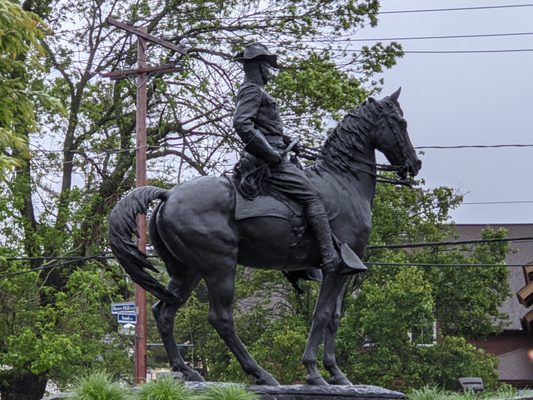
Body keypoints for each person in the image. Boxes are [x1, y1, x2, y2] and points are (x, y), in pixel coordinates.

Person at [232, 43, 357, 274]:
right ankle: (329, 258)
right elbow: (242, 124)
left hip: (275, 155)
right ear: (260, 68)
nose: (269, 72)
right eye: (267, 67)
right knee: (313, 197)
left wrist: (286, 139)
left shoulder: (256, 91)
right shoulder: (252, 90)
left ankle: (301, 261)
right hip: (266, 163)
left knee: (300, 195)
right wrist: (270, 153)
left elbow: (265, 127)